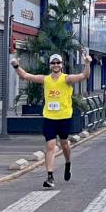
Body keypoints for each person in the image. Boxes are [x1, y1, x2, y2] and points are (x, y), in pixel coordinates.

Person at [10, 52, 92, 188]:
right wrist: (16, 66)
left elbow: (84, 76)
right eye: (53, 63)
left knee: (65, 144)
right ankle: (50, 176)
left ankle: (68, 163)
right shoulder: (45, 79)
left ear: (61, 65)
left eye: (58, 63)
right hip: (49, 118)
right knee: (50, 146)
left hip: (64, 117)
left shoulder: (67, 79)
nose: (55, 65)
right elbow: (25, 76)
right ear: (50, 65)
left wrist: (87, 63)